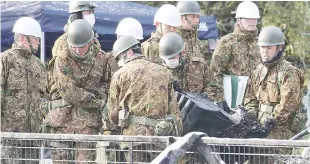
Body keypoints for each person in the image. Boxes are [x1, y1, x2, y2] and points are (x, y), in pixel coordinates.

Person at [44, 19, 113, 163]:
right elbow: (68, 90)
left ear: (89, 42)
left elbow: (106, 84)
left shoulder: (101, 58)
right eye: (74, 47)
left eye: (81, 47)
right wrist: (97, 102)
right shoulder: (62, 58)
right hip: (61, 121)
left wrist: (101, 96)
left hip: (88, 124)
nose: (77, 50)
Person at [108, 35, 183, 162]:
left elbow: (113, 114)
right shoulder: (164, 72)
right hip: (159, 137)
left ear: (130, 52)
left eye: (120, 58)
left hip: (132, 138)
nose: (119, 62)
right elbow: (174, 112)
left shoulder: (119, 75)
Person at [243, 26, 304, 161]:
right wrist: (252, 117)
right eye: (262, 47)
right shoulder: (258, 70)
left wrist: (271, 121)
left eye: (269, 48)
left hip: (279, 131)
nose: (265, 51)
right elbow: (250, 97)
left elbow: (288, 103)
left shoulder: (288, 72)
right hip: (258, 129)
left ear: (279, 48)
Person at [0, 17, 47, 163]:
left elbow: (44, 98)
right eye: (35, 38)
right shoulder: (5, 60)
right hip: (10, 137)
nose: (38, 42)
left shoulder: (38, 64)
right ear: (23, 38)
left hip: (33, 137)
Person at [209, 1, 261, 106]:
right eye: (248, 18)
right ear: (239, 20)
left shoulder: (260, 43)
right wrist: (222, 101)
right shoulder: (227, 42)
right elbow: (214, 74)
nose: (252, 21)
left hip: (257, 102)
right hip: (234, 102)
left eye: (254, 18)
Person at [158, 32, 222, 103]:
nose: (170, 60)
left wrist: (205, 97)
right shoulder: (160, 73)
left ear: (182, 53)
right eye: (167, 58)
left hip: (198, 110)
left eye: (173, 57)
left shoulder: (199, 66)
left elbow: (215, 88)